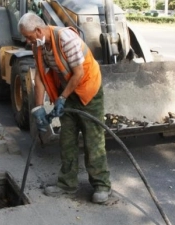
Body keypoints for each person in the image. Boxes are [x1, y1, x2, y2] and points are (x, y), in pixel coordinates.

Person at [18, 13, 111, 204]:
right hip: (67, 92)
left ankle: (101, 185)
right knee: (67, 139)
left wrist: (61, 98)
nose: (27, 42)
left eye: (28, 36)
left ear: (38, 30)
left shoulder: (65, 38)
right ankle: (67, 184)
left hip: (88, 91)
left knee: (93, 140)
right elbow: (40, 78)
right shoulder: (39, 46)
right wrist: (38, 109)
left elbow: (78, 73)